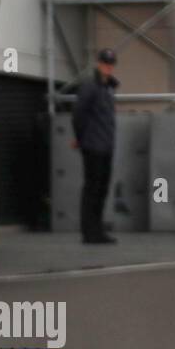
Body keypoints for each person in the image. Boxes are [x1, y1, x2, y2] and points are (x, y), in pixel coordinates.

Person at [71, 48, 120, 244]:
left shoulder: (109, 87)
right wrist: (81, 139)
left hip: (106, 145)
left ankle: (97, 230)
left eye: (111, 64)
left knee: (102, 189)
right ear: (99, 64)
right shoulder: (90, 86)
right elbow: (78, 114)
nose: (108, 67)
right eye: (105, 63)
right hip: (93, 146)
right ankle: (89, 232)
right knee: (92, 189)